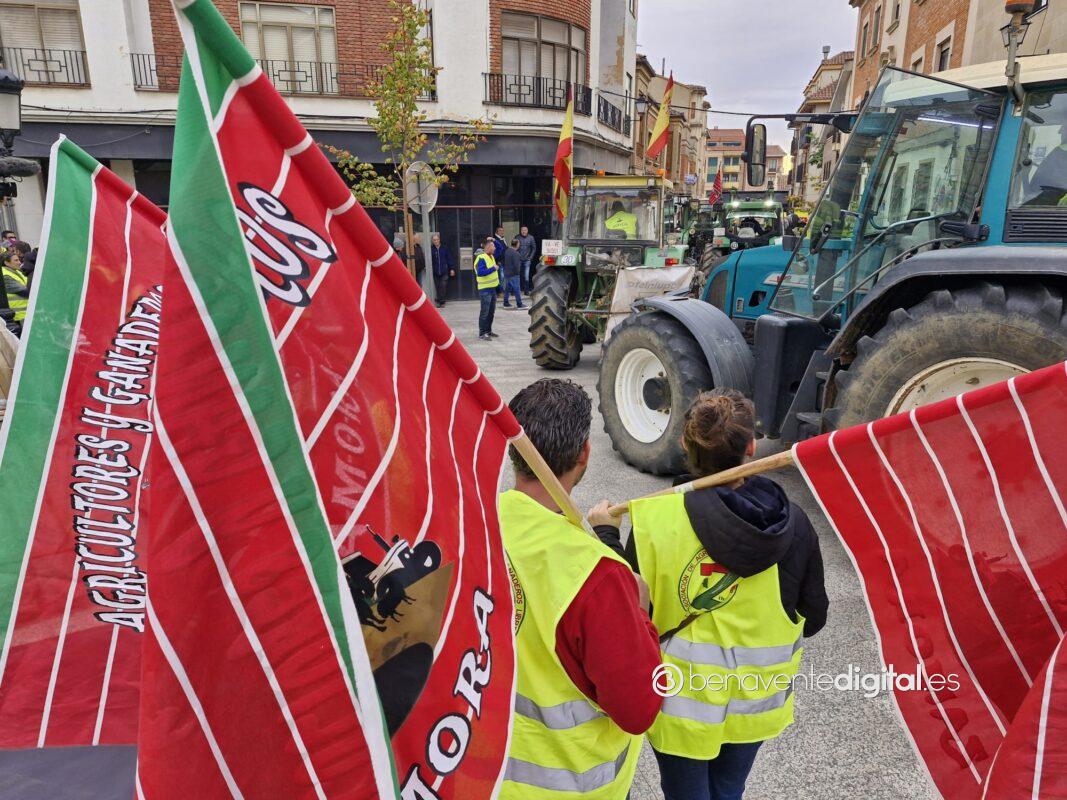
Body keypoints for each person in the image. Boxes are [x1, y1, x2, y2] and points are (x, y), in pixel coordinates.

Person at [590, 389, 828, 800]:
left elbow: (626, 610)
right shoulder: (796, 524)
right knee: (727, 792)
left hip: (680, 706)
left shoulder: (655, 519)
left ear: (685, 447)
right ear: (752, 447)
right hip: (755, 699)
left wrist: (607, 534)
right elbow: (815, 616)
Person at [498, 379, 662, 799]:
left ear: (513, 449)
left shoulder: (472, 523)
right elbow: (639, 710)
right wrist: (641, 615)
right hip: (568, 785)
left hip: (480, 771)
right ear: (584, 454)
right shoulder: (600, 576)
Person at [474, 237, 499, 340]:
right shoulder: (481, 258)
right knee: (485, 312)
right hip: (485, 290)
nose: (495, 248)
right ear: (488, 247)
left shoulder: (491, 256)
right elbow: (480, 273)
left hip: (492, 289)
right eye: (493, 246)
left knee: (491, 312)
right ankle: (482, 333)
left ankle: (488, 331)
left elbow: (502, 249)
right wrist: (493, 269)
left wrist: (494, 240)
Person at [2, 247, 29, 336]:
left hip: (26, 313)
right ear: (6, 263)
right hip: (19, 316)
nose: (19, 262)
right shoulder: (5, 275)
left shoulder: (17, 272)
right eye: (16, 260)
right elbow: (26, 292)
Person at [429, 233, 454, 308]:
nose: (435, 241)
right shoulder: (431, 249)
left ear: (439, 240)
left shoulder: (444, 248)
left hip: (444, 270)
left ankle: (441, 302)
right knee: (438, 287)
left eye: (437, 239)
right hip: (435, 271)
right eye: (434, 240)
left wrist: (452, 268)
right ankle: (440, 300)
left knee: (443, 286)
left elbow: (449, 258)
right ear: (432, 241)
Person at [501, 238, 525, 309]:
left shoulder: (507, 251)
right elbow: (516, 265)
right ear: (517, 244)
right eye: (519, 243)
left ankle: (505, 302)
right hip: (514, 274)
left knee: (508, 289)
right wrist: (518, 273)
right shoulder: (516, 253)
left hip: (507, 273)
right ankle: (519, 304)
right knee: (517, 289)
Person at [516, 225, 537, 293]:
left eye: (525, 230)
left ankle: (526, 290)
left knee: (526, 275)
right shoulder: (517, 237)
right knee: (518, 275)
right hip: (519, 259)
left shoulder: (531, 238)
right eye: (522, 230)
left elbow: (534, 248)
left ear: (527, 231)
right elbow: (514, 248)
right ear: (520, 231)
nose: (523, 231)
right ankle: (518, 290)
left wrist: (530, 257)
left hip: (527, 260)